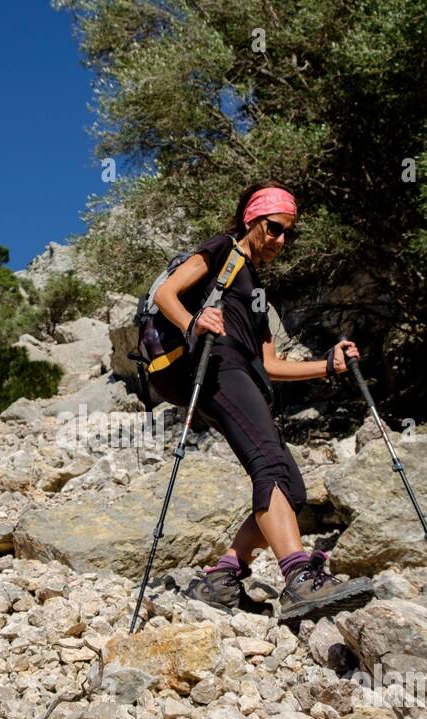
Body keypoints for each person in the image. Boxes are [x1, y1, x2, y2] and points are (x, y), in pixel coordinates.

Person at [148, 180, 374, 623]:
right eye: (273, 229)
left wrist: (328, 366)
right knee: (269, 467)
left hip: (244, 377)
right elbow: (166, 294)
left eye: (289, 232)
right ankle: (299, 580)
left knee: (290, 485)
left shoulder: (257, 292)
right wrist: (194, 322)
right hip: (216, 371)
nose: (281, 240)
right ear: (252, 220)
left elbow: (270, 364)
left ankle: (222, 578)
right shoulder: (221, 250)